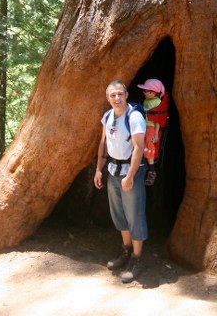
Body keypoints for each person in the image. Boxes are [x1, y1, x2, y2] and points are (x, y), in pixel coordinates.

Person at [94, 81, 147, 284]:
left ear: (126, 94)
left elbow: (139, 147)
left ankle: (137, 258)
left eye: (119, 94)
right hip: (112, 171)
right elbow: (103, 143)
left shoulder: (134, 117)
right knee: (119, 215)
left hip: (130, 173)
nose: (117, 98)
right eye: (112, 95)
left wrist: (131, 176)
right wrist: (99, 170)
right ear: (108, 98)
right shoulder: (107, 116)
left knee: (135, 215)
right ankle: (126, 251)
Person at [137, 78, 169, 186]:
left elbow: (157, 120)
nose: (144, 92)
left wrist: (155, 134)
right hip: (143, 126)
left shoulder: (157, 102)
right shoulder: (146, 101)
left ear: (153, 92)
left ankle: (151, 170)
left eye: (146, 91)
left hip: (151, 128)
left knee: (149, 145)